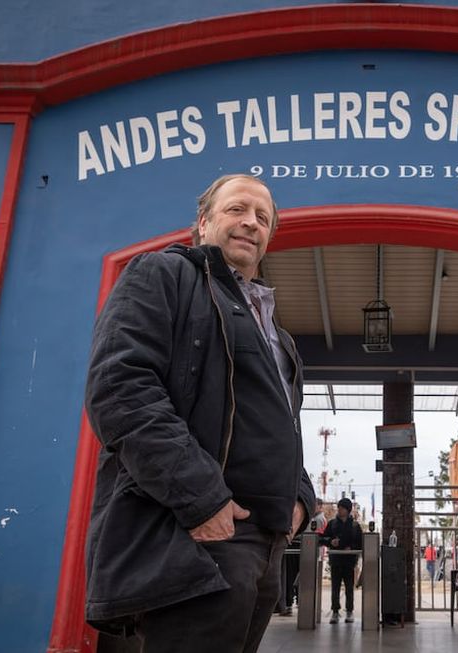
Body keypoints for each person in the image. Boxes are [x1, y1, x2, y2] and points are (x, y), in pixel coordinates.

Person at [83, 173, 316, 653]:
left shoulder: (277, 332)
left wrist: (300, 499)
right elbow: (119, 388)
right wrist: (201, 499)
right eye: (237, 210)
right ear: (204, 222)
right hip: (195, 539)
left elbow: (282, 428)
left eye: (263, 218)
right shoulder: (163, 274)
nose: (251, 223)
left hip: (262, 548)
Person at [320, 498, 364, 624]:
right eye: (339, 507)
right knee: (335, 587)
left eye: (342, 508)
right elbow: (322, 538)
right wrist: (330, 542)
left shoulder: (355, 526)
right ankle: (335, 611)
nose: (339, 510)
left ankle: (349, 611)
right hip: (335, 560)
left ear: (348, 510)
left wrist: (352, 548)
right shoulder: (332, 523)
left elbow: (361, 543)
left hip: (350, 562)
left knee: (349, 587)